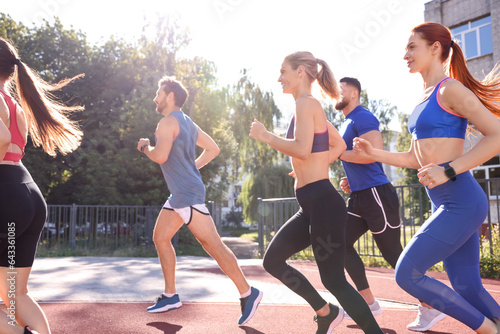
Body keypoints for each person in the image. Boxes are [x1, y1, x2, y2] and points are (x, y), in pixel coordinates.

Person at [353, 22, 500, 334]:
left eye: (411, 47)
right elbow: (412, 158)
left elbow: (496, 136)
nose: (405, 54)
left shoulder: (450, 89)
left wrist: (448, 169)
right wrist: (373, 153)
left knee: (407, 274)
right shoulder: (425, 96)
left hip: (461, 201)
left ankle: (486, 328)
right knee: (467, 286)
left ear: (435, 48)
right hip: (445, 203)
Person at [250, 51, 383, 334]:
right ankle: (325, 312)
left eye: (283, 71)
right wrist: (308, 165)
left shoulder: (306, 104)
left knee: (334, 281)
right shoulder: (308, 106)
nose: (279, 78)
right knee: (272, 260)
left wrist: (265, 136)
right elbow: (335, 146)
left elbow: (300, 147)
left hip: (323, 201)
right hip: (309, 204)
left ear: (300, 72)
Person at [137, 76, 262, 326]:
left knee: (213, 246)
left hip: (187, 196)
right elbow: (213, 148)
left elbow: (160, 156)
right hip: (181, 194)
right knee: (160, 237)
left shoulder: (166, 122)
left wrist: (144, 148)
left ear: (170, 96)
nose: (155, 98)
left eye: (158, 93)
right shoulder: (188, 123)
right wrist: (190, 168)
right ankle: (171, 295)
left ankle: (248, 293)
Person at [336, 76, 447, 331]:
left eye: (339, 90)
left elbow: (372, 151)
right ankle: (369, 303)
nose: (335, 94)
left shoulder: (363, 116)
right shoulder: (348, 122)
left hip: (376, 195)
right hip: (360, 195)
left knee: (393, 255)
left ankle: (430, 304)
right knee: (339, 244)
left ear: (354, 93)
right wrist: (352, 180)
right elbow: (360, 160)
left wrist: (337, 153)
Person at [0, 37, 84, 334]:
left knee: (9, 298)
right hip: (26, 194)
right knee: (15, 295)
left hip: (6, 201)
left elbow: (1, 140)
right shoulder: (15, 105)